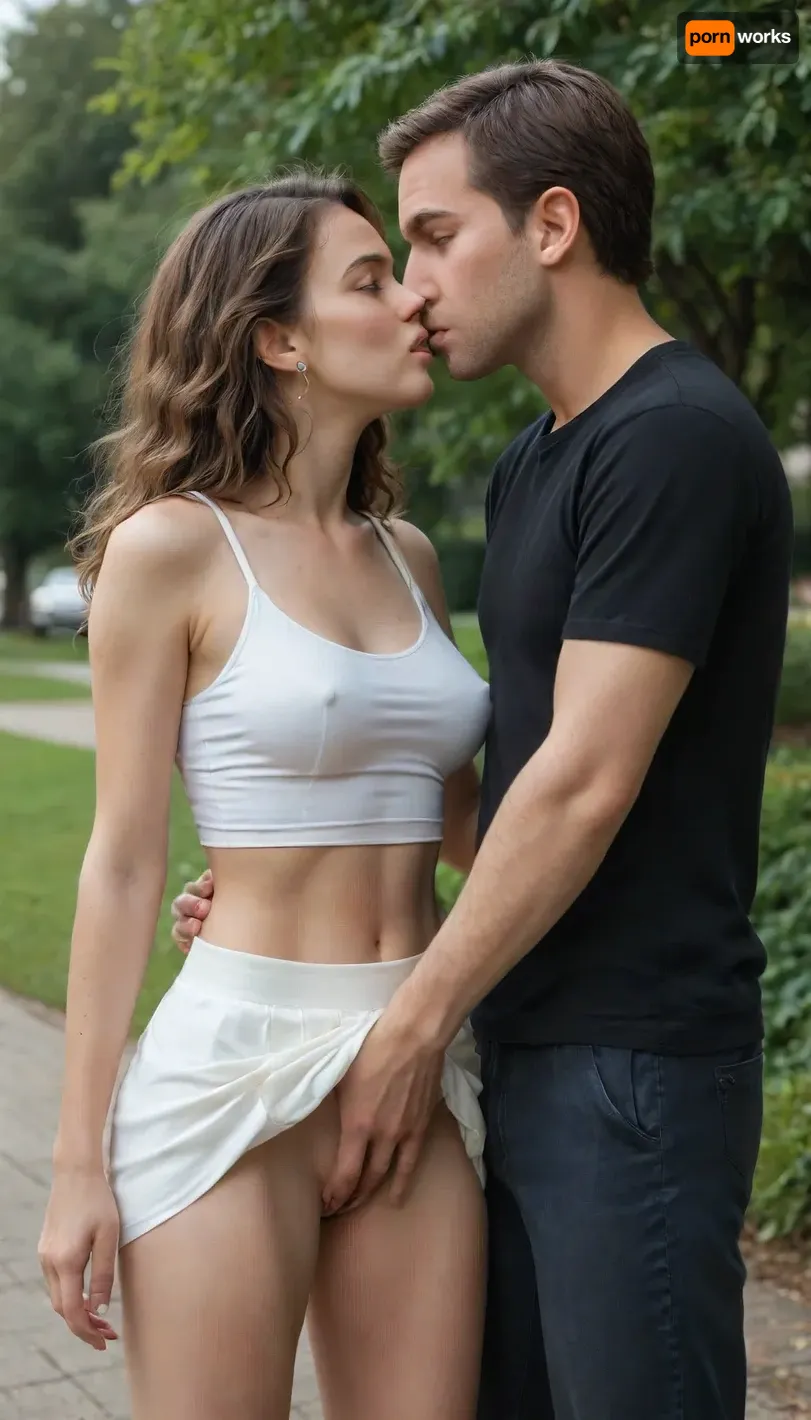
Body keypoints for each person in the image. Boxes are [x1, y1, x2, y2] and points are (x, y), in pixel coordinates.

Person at [173, 61, 794, 1420]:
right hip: (515, 1041)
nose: (412, 285)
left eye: (436, 236)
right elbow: (493, 798)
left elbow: (578, 785)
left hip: (631, 1061)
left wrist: (410, 1023)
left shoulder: (672, 438)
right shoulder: (536, 460)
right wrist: (298, 880)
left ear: (553, 227)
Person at [37, 171, 492, 1420]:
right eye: (369, 279)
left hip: (411, 1057)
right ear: (276, 338)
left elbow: (456, 821)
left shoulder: (410, 557)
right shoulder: (168, 549)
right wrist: (78, 1162)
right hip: (232, 1067)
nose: (411, 301)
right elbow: (123, 859)